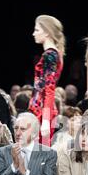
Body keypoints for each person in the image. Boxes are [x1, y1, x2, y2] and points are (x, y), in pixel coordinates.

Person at [28, 15, 65, 147]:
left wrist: (45, 120)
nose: (33, 34)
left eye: (37, 30)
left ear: (47, 32)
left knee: (39, 155)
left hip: (42, 111)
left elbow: (49, 89)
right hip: (42, 110)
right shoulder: (54, 54)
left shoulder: (50, 55)